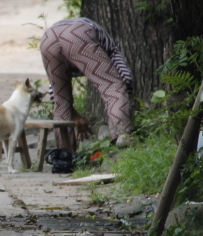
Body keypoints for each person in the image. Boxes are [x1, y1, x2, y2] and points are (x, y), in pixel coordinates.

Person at [39, 17, 133, 152]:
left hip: (48, 38)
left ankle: (64, 155)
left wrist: (76, 116)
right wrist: (125, 100)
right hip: (78, 34)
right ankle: (122, 138)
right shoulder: (111, 49)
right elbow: (125, 79)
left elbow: (55, 94)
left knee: (61, 101)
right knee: (113, 86)